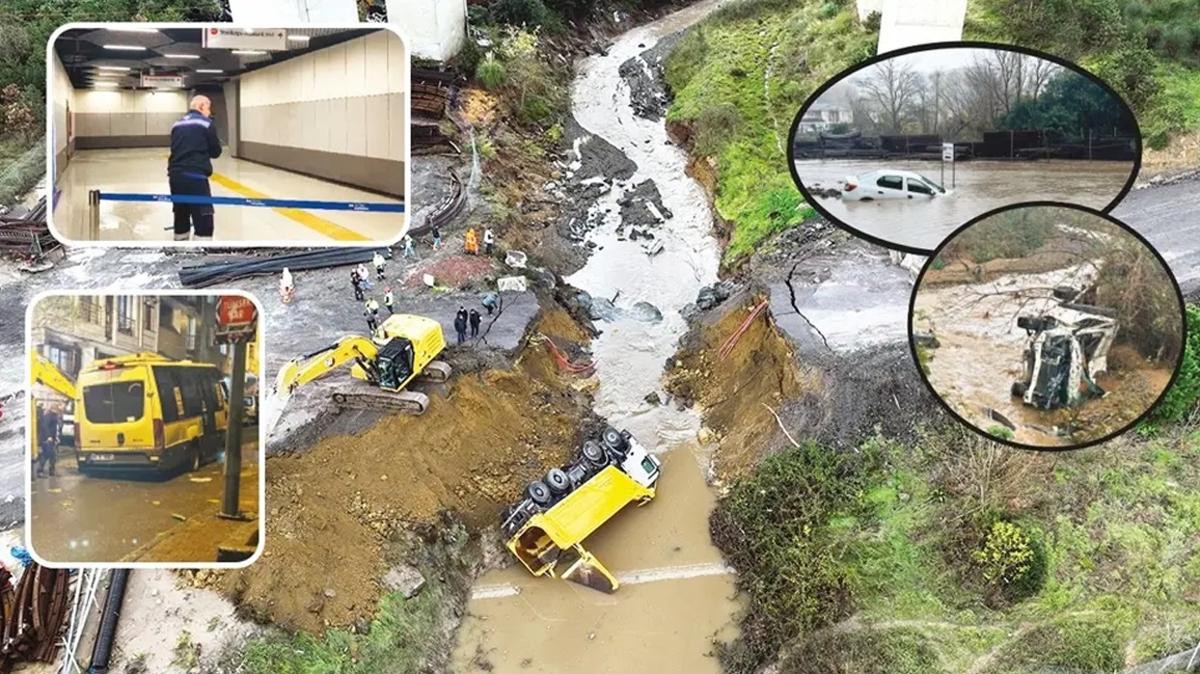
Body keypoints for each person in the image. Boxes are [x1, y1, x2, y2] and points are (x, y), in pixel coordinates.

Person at [168, 95, 222, 241]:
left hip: (175, 177)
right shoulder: (206, 123)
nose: (209, 112)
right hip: (195, 177)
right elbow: (216, 152)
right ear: (201, 106)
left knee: (180, 215)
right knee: (204, 218)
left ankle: (179, 246)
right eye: (208, 108)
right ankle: (202, 251)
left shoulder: (176, 124)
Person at [35, 406, 60, 478]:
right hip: (47, 439)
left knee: (52, 456)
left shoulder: (53, 416)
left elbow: (55, 429)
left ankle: (51, 471)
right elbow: (45, 426)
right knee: (46, 455)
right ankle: (40, 471)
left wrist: (55, 438)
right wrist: (48, 436)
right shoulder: (49, 416)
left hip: (51, 439)